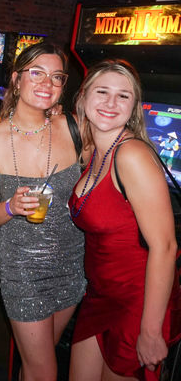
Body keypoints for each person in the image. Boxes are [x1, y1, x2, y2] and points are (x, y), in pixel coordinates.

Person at [0, 42, 86, 381]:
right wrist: (10, 207)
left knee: (38, 364)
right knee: (44, 371)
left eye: (56, 77)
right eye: (36, 73)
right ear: (17, 79)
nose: (46, 84)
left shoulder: (72, 126)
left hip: (72, 263)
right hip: (24, 271)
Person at [68, 59, 181, 381]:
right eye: (102, 91)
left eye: (123, 96)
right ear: (84, 97)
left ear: (133, 108)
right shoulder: (92, 151)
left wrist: (150, 330)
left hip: (138, 300)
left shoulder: (132, 155)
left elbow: (165, 246)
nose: (110, 103)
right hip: (101, 294)